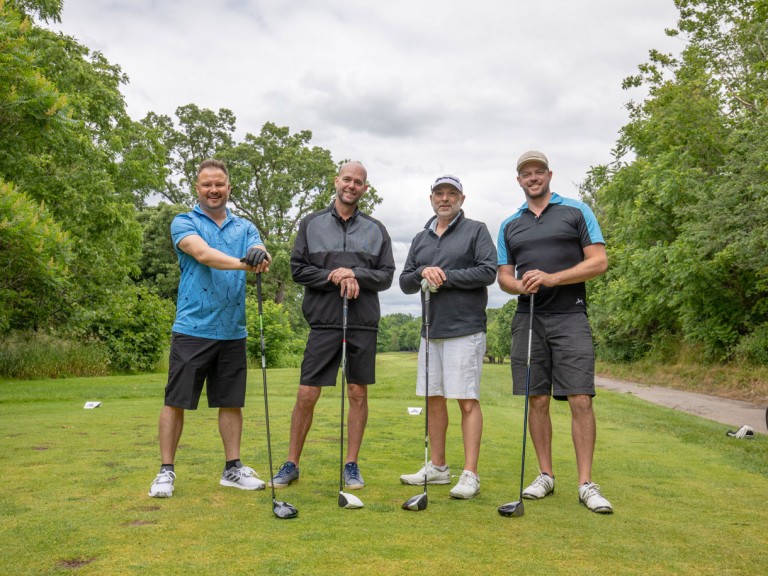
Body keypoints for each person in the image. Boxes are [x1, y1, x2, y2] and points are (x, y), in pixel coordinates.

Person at [496, 150, 613, 514]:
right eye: (526, 173)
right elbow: (503, 276)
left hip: (570, 316)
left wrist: (552, 278)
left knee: (580, 398)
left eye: (538, 172)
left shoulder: (576, 211)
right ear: (519, 180)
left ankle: (586, 483)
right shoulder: (509, 224)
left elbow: (599, 261)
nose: (533, 178)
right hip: (528, 318)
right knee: (537, 399)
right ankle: (545, 474)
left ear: (549, 175)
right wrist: (519, 286)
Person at [148, 158, 272, 498]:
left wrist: (260, 254)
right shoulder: (183, 222)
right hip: (193, 328)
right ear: (197, 188)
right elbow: (202, 254)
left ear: (229, 188)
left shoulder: (244, 226)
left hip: (233, 330)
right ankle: (165, 472)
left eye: (219, 184)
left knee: (230, 402)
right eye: (207, 184)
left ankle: (233, 469)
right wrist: (246, 265)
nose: (214, 190)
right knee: (176, 401)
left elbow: (260, 249)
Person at [269, 161, 395, 490]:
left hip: (362, 322)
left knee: (356, 392)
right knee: (307, 393)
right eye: (347, 180)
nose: (351, 186)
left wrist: (355, 274)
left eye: (359, 182)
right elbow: (298, 269)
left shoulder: (376, 229)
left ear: (365, 188)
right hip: (323, 322)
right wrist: (332, 275)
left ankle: (351, 464)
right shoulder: (311, 224)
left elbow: (385, 275)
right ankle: (292, 462)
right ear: (336, 182)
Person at [398, 175, 497, 499]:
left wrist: (445, 276)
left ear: (461, 199)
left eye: (451, 194)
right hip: (431, 330)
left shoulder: (476, 230)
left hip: (465, 329)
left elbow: (488, 271)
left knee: (466, 399)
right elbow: (405, 282)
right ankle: (438, 468)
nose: (445, 199)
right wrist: (422, 272)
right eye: (439, 193)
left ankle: (470, 474)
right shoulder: (419, 238)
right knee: (433, 398)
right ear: (431, 198)